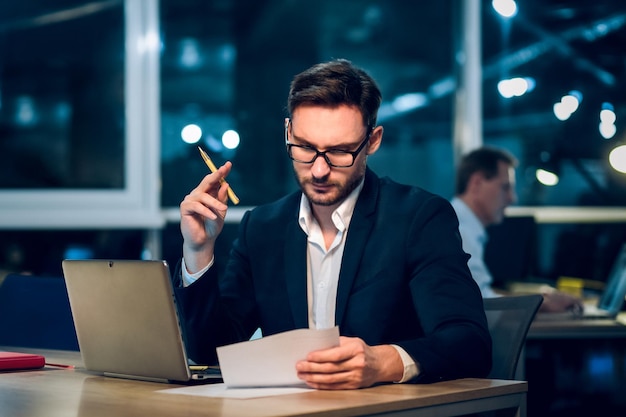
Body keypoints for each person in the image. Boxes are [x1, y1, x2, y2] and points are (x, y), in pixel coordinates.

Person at [175, 58, 491, 390]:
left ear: (372, 140)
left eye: (340, 152)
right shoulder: (263, 228)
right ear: (287, 132)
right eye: (306, 148)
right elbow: (212, 353)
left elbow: (470, 343)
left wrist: (384, 362)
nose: (319, 170)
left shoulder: (418, 218)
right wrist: (198, 250)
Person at [450, 146, 583, 313]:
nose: (513, 198)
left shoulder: (459, 224)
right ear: (476, 183)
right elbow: (483, 304)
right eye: (505, 187)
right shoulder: (459, 231)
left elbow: (481, 294)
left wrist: (537, 298)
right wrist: (544, 304)